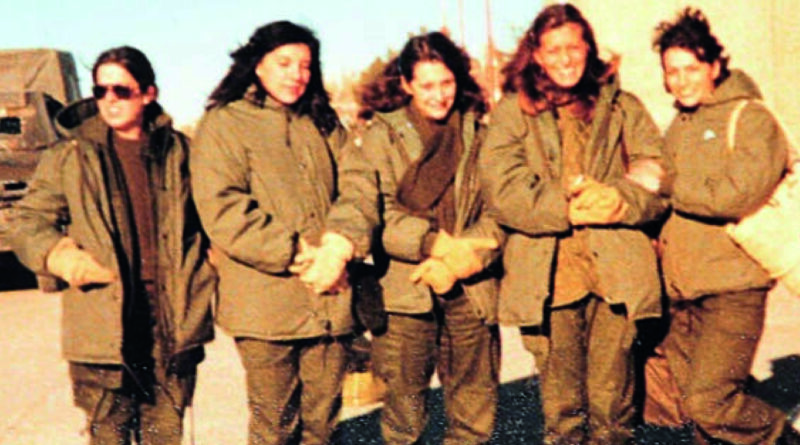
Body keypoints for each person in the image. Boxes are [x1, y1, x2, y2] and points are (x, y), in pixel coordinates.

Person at [479, 3, 668, 444]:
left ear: (588, 49)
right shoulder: (513, 112)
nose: (565, 59)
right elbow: (502, 189)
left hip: (615, 274)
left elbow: (657, 171)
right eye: (553, 50)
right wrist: (563, 208)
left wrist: (620, 200)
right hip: (549, 279)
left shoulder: (621, 107)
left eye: (574, 48)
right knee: (563, 411)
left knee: (612, 408)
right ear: (537, 55)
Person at [7, 46, 214, 444]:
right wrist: (60, 256)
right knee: (109, 437)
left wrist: (210, 267)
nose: (110, 100)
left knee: (164, 436)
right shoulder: (70, 157)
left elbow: (212, 220)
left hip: (170, 324)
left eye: (122, 90)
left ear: (148, 93)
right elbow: (27, 220)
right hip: (102, 324)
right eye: (101, 91)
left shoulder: (181, 153)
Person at [305, 31, 503, 445]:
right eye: (427, 85)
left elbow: (499, 209)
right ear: (407, 85)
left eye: (446, 83)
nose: (439, 95)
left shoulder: (480, 134)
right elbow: (377, 210)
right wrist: (433, 244)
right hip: (405, 294)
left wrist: (461, 261)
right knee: (403, 420)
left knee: (474, 416)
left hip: (471, 290)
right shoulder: (382, 136)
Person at [190, 21, 353, 445]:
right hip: (265, 308)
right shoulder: (225, 124)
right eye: (284, 63)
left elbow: (358, 187)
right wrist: (299, 254)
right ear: (257, 65)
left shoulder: (322, 122)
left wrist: (338, 246)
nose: (296, 74)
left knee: (323, 423)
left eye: (305, 65)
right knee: (275, 425)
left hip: (329, 296)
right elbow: (223, 208)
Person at [647, 8, 800, 444]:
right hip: (683, 293)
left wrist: (667, 184)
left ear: (714, 66)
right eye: (672, 71)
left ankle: (783, 439)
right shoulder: (680, 124)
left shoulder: (750, 118)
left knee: (709, 402)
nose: (681, 81)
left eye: (691, 69)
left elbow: (738, 194)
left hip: (733, 291)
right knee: (699, 414)